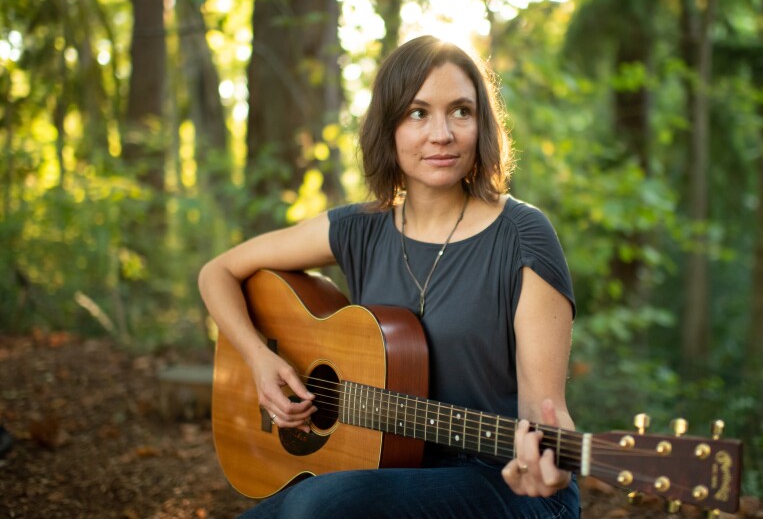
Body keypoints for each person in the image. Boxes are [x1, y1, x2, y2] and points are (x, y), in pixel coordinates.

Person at [199, 35, 580, 518]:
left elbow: (544, 410)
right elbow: (219, 272)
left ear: (482, 124)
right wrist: (258, 360)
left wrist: (554, 460)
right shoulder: (360, 228)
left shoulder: (522, 234)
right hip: (382, 467)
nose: (441, 134)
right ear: (389, 127)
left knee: (317, 507)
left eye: (460, 111)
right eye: (418, 113)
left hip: (503, 481)